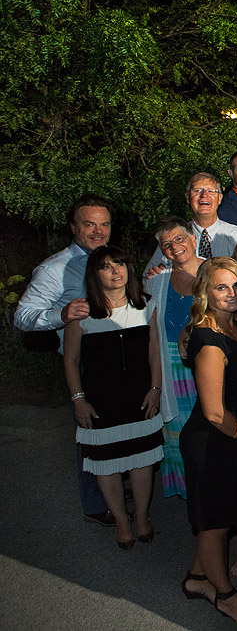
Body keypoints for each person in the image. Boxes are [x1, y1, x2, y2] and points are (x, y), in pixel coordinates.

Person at [15, 193, 115, 524]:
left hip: (119, 358)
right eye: (89, 225)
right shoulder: (54, 268)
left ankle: (112, 486)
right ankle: (96, 503)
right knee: (90, 434)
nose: (98, 231)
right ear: (73, 227)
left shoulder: (113, 262)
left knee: (114, 429)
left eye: (104, 224)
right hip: (83, 363)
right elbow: (23, 316)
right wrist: (61, 313)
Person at [64, 246, 163, 550]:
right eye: (106, 267)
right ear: (95, 275)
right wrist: (79, 400)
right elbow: (70, 361)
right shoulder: (82, 313)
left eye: (120, 264)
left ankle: (142, 516)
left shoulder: (146, 305)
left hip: (139, 397)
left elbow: (154, 353)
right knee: (106, 463)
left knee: (141, 462)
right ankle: (122, 520)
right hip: (101, 401)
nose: (116, 271)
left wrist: (155, 389)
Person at [177, 257, 237, 624]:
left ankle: (197, 578)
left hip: (230, 438)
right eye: (221, 287)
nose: (232, 293)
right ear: (205, 292)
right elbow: (213, 411)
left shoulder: (236, 324)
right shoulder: (209, 340)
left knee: (218, 515)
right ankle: (224, 595)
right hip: (212, 441)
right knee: (215, 525)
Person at [145, 217, 204, 499]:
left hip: (207, 362)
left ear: (193, 238)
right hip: (172, 370)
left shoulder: (215, 271)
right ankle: (189, 494)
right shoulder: (157, 281)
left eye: (180, 238)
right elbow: (153, 339)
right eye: (166, 244)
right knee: (179, 438)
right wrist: (156, 387)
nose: (174, 247)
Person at [183, 172, 237, 259]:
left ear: (220, 198)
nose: (204, 195)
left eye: (210, 191)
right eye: (197, 191)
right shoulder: (175, 239)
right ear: (188, 197)